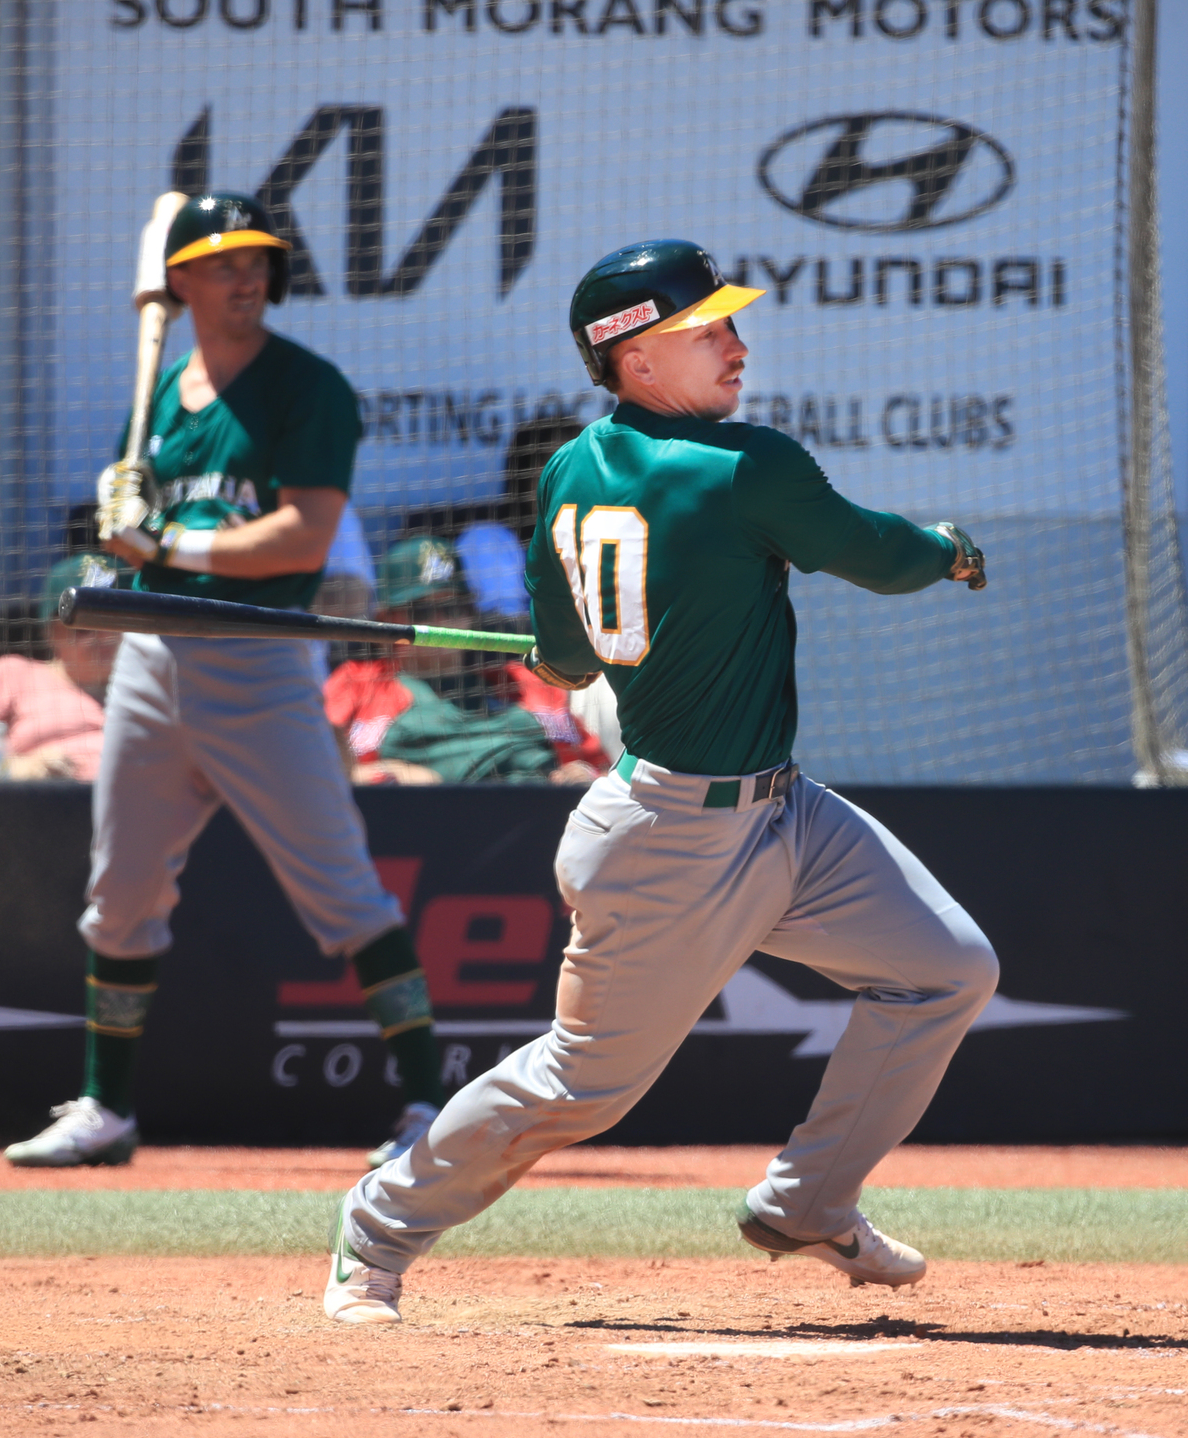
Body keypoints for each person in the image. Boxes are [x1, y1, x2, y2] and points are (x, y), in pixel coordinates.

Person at [324, 238, 999, 1324]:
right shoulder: (745, 466)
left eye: (730, 323)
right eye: (707, 329)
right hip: (669, 837)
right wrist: (947, 545)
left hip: (784, 812)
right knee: (581, 1085)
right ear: (635, 360)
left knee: (948, 968)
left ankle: (809, 1200)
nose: (737, 344)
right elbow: (880, 556)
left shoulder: (567, 469)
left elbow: (565, 660)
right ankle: (379, 1224)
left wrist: (567, 650)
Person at [5, 193, 444, 1170]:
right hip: (151, 657)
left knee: (344, 892)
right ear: (180, 282)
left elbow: (304, 537)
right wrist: (121, 517)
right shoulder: (159, 396)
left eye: (257, 261)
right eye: (221, 262)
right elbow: (142, 532)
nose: (245, 277)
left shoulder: (309, 386)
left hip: (259, 656)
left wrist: (164, 540)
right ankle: (106, 1106)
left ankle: (427, 1105)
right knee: (120, 892)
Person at [324, 536, 606, 785]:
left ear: (471, 612)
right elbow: (315, 768)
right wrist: (384, 775)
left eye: (452, 608)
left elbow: (600, 767)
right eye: (422, 612)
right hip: (424, 817)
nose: (441, 622)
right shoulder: (357, 683)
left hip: (539, 809)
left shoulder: (526, 681)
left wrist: (580, 773)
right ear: (386, 620)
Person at [0, 554, 124, 782]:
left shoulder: (159, 685)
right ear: (50, 631)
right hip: (44, 800)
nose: (103, 636)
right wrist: (11, 768)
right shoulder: (14, 674)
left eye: (114, 622)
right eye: (84, 627)